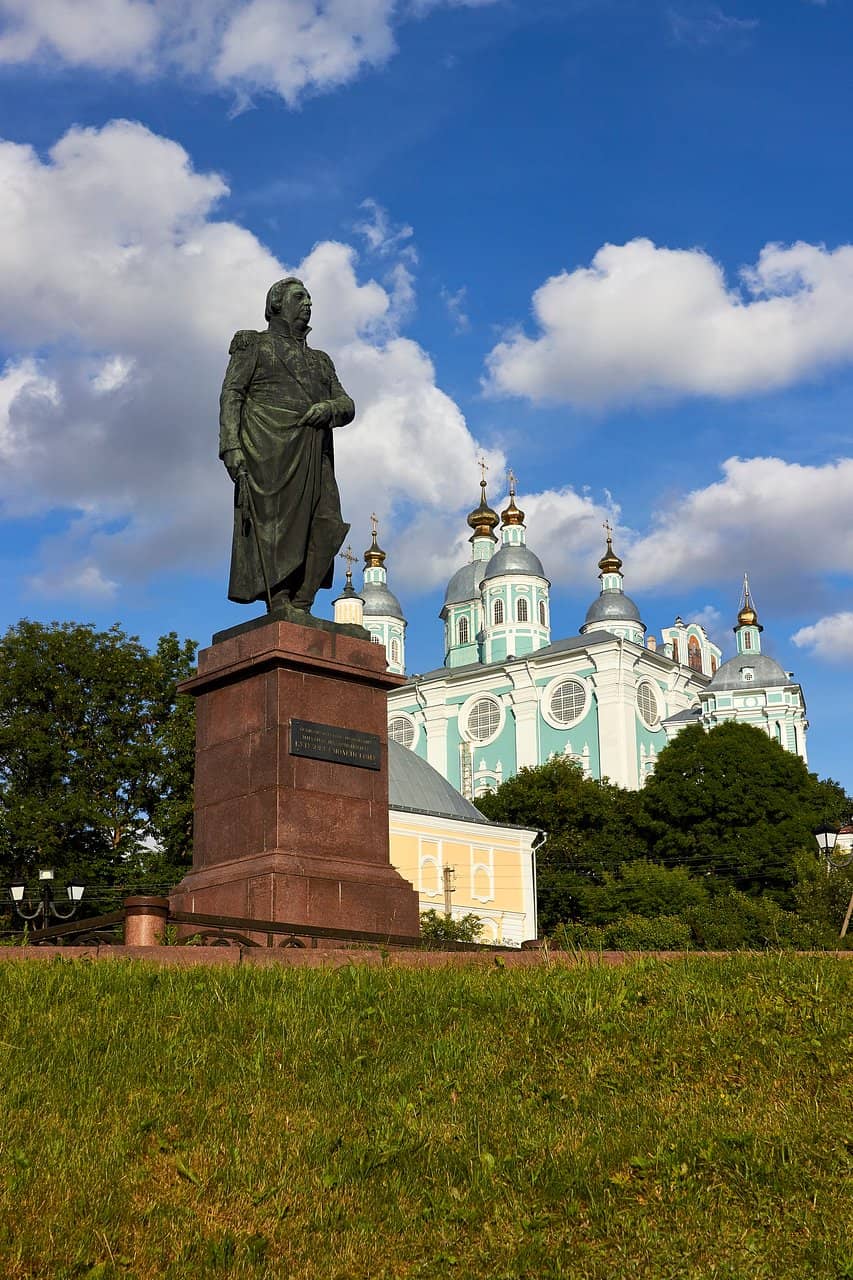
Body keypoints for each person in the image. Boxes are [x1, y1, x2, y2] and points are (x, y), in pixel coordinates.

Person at [219, 277, 355, 615]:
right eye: (299, 297)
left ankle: (304, 599)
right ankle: (278, 596)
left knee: (327, 521)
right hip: (269, 449)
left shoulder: (321, 360)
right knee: (274, 525)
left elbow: (347, 403)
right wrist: (231, 445)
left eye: (309, 297)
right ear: (276, 304)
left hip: (314, 450)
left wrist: (330, 408)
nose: (308, 303)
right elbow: (232, 393)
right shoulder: (255, 345)